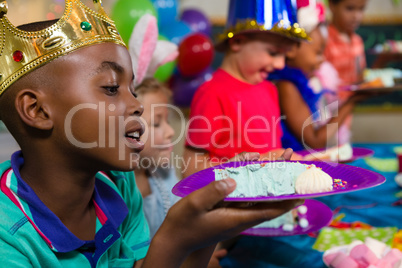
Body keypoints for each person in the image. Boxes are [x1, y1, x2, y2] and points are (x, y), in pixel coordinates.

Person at [0, 1, 302, 267]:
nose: (135, 105)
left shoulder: (117, 184)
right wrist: (173, 237)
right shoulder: (7, 239)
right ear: (37, 110)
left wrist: (206, 230)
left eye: (132, 90)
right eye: (110, 88)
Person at [182, 0, 309, 178]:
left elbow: (273, 149)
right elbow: (190, 170)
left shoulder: (269, 89)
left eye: (284, 56)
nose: (280, 64)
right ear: (237, 42)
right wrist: (258, 162)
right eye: (273, 52)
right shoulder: (211, 93)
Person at [272, 4, 366, 150]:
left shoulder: (311, 82)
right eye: (318, 52)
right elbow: (315, 141)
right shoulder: (286, 86)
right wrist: (351, 102)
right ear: (291, 48)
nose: (322, 59)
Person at [325, 0, 368, 87]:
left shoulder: (357, 41)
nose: (356, 16)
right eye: (350, 8)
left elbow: (361, 78)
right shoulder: (324, 41)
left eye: (361, 9)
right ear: (332, 5)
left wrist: (381, 61)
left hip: (355, 99)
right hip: (332, 100)